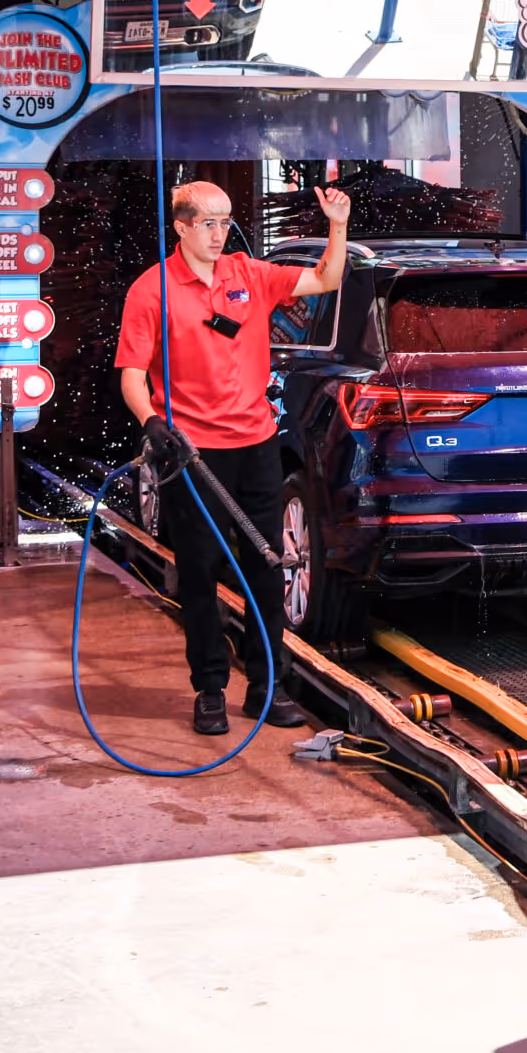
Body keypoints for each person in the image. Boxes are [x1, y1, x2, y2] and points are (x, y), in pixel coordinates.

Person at [116, 179, 351, 734]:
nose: (219, 234)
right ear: (181, 227)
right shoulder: (151, 290)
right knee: (199, 573)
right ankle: (210, 689)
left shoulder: (250, 275)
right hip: (194, 456)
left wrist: (338, 227)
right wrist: (151, 421)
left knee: (265, 569)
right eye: (208, 223)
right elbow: (131, 374)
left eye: (225, 222)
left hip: (256, 445)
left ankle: (268, 687)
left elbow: (326, 278)